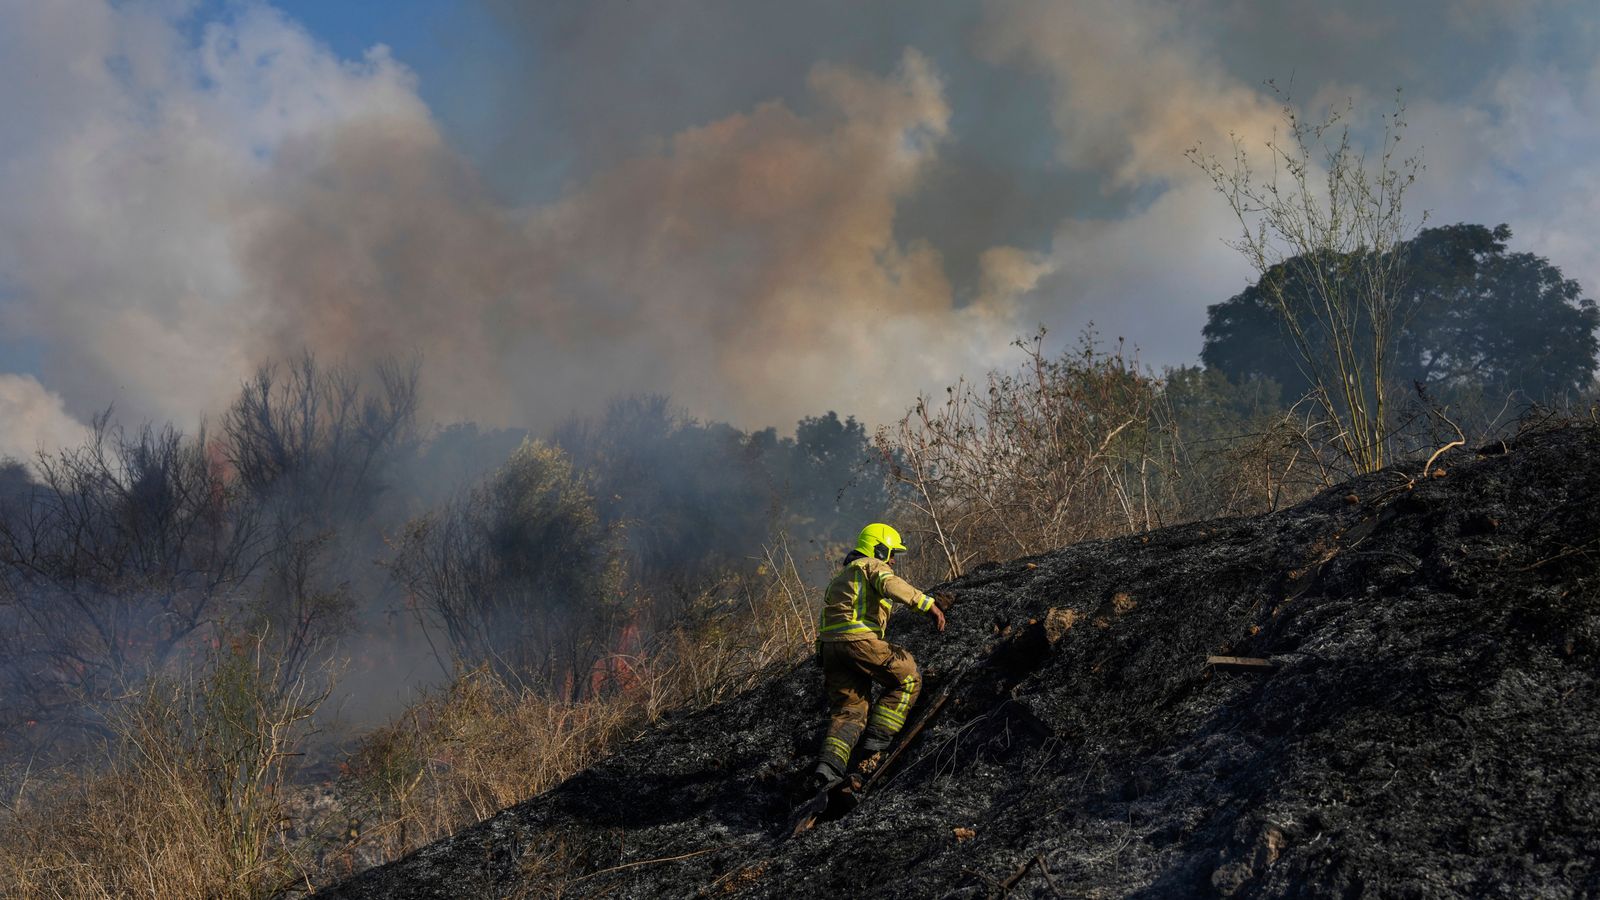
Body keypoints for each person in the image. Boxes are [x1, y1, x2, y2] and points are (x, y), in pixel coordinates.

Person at [810, 523, 946, 790]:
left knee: (849, 710)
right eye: (892, 552)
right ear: (879, 548)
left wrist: (820, 652)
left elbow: (827, 615)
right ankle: (876, 745)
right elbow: (891, 584)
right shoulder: (872, 565)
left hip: (830, 650)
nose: (893, 559)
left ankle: (828, 769)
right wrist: (928, 605)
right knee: (908, 678)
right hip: (859, 641)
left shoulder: (842, 577)